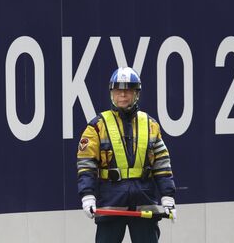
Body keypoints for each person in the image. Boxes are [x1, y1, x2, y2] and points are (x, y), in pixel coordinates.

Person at [76, 67, 177, 243]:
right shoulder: (96, 127)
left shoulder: (151, 125)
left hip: (144, 202)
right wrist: (87, 195)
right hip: (111, 201)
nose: (122, 95)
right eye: (118, 90)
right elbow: (86, 164)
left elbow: (162, 164)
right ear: (111, 93)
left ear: (136, 93)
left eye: (128, 90)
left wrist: (168, 196)